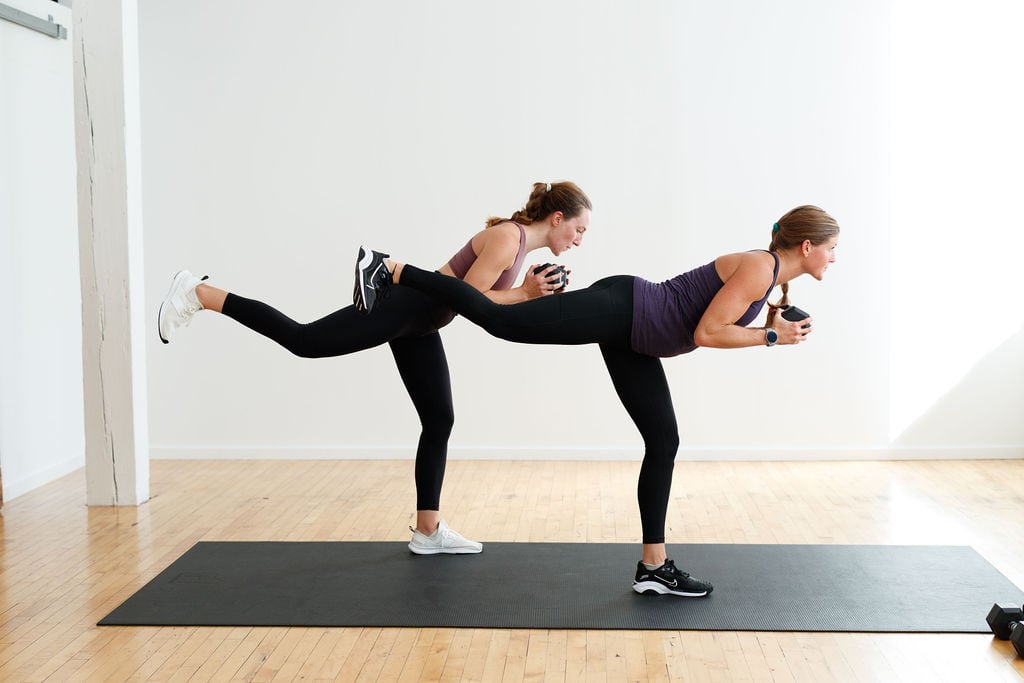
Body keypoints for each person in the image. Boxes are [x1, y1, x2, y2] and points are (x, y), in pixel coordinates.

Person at [355, 205, 840, 597]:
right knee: (499, 321)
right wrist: (770, 337)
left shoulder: (769, 274)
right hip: (624, 311)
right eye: (831, 249)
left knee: (663, 440)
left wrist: (767, 321)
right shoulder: (760, 267)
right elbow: (707, 332)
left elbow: (714, 319)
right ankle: (394, 269)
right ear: (806, 246)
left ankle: (654, 567)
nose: (834, 259)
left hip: (637, 336)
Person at [157, 181, 592, 555]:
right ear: (557, 218)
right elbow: (473, 303)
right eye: (579, 229)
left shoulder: (515, 245)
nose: (579, 240)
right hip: (405, 308)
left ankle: (427, 532)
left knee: (439, 418)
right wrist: (524, 295)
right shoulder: (508, 238)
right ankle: (198, 293)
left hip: (421, 324)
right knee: (304, 340)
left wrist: (527, 292)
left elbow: (476, 298)